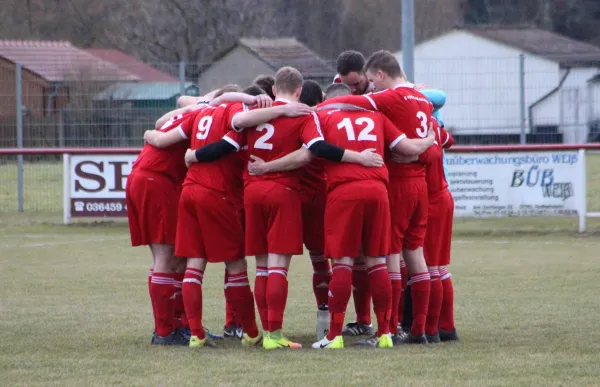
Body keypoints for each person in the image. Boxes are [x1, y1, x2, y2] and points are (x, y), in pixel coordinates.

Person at [185, 67, 384, 349]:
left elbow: (231, 136)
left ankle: (264, 332)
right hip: (285, 191)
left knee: (263, 267)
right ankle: (276, 335)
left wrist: (194, 156)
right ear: (299, 91)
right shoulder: (304, 114)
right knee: (286, 265)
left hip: (252, 192)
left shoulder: (257, 113)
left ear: (274, 90)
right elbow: (311, 150)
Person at [247, 82, 436, 349]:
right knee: (377, 262)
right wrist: (429, 138)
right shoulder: (376, 116)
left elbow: (308, 152)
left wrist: (266, 167)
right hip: (379, 191)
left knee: (342, 263)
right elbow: (407, 147)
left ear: (329, 100)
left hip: (342, 192)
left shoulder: (321, 115)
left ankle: (333, 335)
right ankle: (385, 334)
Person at [322, 50, 437, 344]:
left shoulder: (388, 100)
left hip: (396, 183)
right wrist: (427, 141)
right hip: (420, 185)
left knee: (388, 256)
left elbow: (352, 102)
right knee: (416, 255)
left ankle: (393, 328)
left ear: (381, 75)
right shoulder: (422, 98)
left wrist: (319, 106)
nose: (372, 87)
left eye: (372, 81)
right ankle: (420, 330)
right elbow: (423, 144)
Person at [126, 113, 192, 346]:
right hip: (157, 180)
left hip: (145, 176)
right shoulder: (211, 114)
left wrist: (150, 133)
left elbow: (159, 123)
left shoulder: (198, 108)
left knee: (170, 257)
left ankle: (174, 325)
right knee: (167, 256)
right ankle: (165, 331)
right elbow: (162, 138)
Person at [297, 80, 330, 340]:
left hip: (295, 198)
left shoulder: (287, 119)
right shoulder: (325, 119)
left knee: (269, 263)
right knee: (332, 262)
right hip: (324, 197)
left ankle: (242, 324)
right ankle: (328, 319)